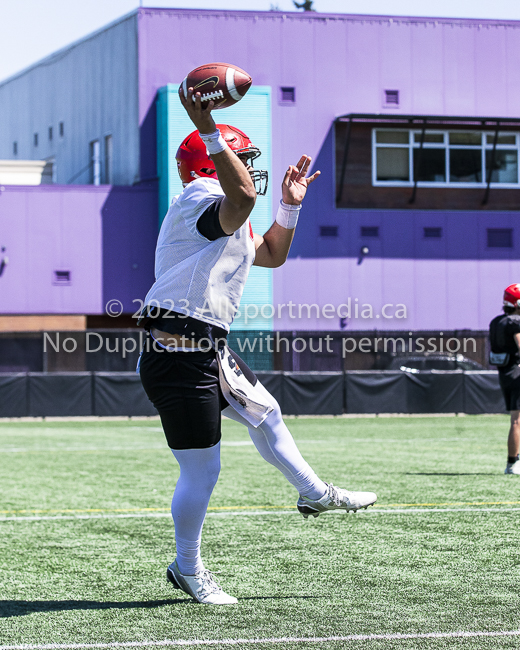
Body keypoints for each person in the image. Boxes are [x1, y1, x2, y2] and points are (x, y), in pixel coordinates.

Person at [137, 85, 377, 605]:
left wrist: (289, 209)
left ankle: (315, 493)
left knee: (268, 416)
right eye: (242, 157)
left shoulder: (225, 213)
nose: (249, 166)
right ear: (212, 161)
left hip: (207, 350)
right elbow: (242, 195)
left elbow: (271, 254)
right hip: (178, 356)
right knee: (203, 471)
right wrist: (208, 128)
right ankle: (188, 568)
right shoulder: (200, 198)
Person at [489, 284, 520, 475]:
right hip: (517, 373)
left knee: (516, 420)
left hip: (505, 373)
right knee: (516, 421)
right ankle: (512, 463)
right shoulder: (515, 322)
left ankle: (513, 462)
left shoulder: (496, 322)